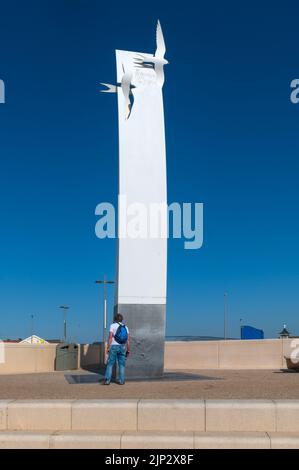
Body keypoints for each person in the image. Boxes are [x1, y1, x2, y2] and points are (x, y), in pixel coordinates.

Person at [104, 313, 130, 385]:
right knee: (121, 365)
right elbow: (128, 340)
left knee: (110, 364)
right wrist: (128, 350)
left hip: (114, 346)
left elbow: (110, 337)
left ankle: (107, 380)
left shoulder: (112, 326)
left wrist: (108, 347)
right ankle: (121, 381)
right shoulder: (125, 327)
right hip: (122, 346)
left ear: (115, 319)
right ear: (122, 319)